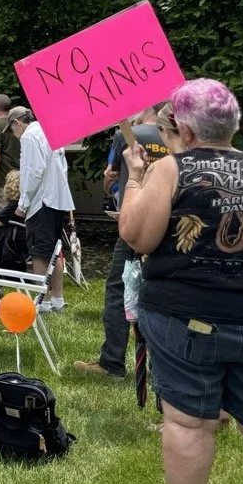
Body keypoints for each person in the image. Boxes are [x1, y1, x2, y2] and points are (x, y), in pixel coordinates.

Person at [118, 79, 243, 484]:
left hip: (186, 320)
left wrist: (135, 177)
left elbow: (138, 237)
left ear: (187, 131)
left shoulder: (171, 169)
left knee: (188, 423)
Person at [75, 105, 169, 377]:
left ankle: (112, 360)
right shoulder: (177, 138)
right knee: (159, 293)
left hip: (135, 223)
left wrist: (107, 178)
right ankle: (159, 367)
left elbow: (111, 177)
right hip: (166, 225)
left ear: (137, 114)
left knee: (118, 288)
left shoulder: (128, 134)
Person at [9, 106, 74, 311]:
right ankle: (57, 299)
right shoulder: (49, 130)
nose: (14, 135)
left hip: (41, 202)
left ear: (17, 122)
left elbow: (32, 172)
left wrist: (23, 203)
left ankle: (42, 301)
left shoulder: (29, 137)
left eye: (12, 129)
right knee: (55, 251)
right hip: (56, 200)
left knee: (39, 253)